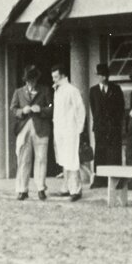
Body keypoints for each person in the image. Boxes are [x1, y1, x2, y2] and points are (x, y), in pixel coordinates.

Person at [9, 64, 52, 201]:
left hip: (41, 128)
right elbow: (13, 109)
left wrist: (41, 109)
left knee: (41, 159)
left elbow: (52, 108)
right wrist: (22, 111)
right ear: (25, 80)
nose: (31, 83)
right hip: (23, 128)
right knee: (23, 159)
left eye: (33, 80)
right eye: (28, 80)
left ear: (36, 79)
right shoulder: (18, 92)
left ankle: (40, 189)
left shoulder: (45, 90)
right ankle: (22, 189)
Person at [49, 65, 86, 202]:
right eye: (53, 77)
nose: (54, 80)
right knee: (64, 160)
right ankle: (66, 187)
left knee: (72, 160)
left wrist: (79, 130)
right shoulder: (57, 92)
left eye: (56, 77)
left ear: (63, 76)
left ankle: (76, 189)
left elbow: (80, 110)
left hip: (71, 131)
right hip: (60, 131)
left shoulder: (72, 90)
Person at [88, 63, 124, 188]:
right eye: (101, 75)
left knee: (114, 154)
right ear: (98, 76)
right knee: (100, 153)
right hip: (100, 128)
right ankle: (99, 180)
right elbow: (94, 110)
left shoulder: (116, 89)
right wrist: (99, 123)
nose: (103, 78)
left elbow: (121, 109)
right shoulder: (93, 91)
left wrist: (115, 124)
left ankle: (115, 181)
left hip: (113, 127)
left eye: (105, 75)